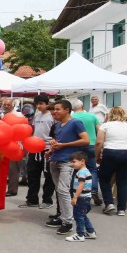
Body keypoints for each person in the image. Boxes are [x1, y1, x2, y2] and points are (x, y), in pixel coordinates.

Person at [45, 100, 89, 235]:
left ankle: (68, 222)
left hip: (67, 161)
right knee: (59, 190)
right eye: (54, 109)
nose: (55, 112)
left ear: (67, 110)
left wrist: (63, 145)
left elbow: (86, 140)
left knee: (63, 190)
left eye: (58, 109)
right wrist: (51, 149)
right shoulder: (58, 125)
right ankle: (63, 217)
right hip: (55, 160)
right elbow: (59, 142)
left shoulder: (75, 122)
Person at [95, 107, 127, 216]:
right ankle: (122, 209)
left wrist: (97, 156)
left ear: (110, 115)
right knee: (123, 181)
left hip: (111, 152)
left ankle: (109, 203)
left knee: (104, 178)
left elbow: (99, 142)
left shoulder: (105, 126)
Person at [19, 94, 55, 209]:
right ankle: (32, 199)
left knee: (48, 176)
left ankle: (47, 200)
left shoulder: (52, 116)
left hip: (48, 149)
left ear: (47, 104)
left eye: (41, 104)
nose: (39, 106)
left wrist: (52, 147)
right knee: (33, 175)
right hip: (34, 149)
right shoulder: (37, 116)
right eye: (37, 104)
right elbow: (33, 131)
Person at [70, 98, 103, 206]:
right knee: (92, 169)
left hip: (76, 145)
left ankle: (74, 192)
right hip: (91, 145)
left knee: (75, 170)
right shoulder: (92, 116)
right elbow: (100, 131)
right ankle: (93, 190)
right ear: (83, 106)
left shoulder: (71, 117)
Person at [65, 151, 97, 242]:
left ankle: (80, 234)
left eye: (74, 162)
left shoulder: (82, 173)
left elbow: (81, 186)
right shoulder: (85, 171)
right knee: (83, 215)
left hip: (81, 198)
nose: (72, 164)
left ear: (82, 161)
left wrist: (75, 197)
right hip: (85, 197)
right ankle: (90, 232)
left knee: (78, 216)